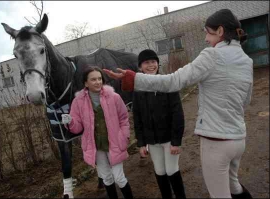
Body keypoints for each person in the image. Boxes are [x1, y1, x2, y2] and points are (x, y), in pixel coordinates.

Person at [104, 9, 253, 199]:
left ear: (220, 31)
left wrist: (134, 78)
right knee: (235, 187)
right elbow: (246, 101)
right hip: (238, 139)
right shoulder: (246, 61)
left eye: (207, 32)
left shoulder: (212, 56)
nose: (206, 39)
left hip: (217, 141)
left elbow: (173, 81)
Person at [61, 66, 134, 199]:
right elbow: (77, 128)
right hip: (96, 147)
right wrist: (70, 122)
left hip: (115, 143)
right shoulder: (78, 102)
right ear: (85, 83)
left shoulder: (114, 97)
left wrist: (124, 136)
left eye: (99, 79)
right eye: (93, 79)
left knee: (119, 177)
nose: (97, 82)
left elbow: (124, 119)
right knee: (106, 178)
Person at [133, 49, 186, 199]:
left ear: (158, 64)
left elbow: (178, 114)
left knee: (171, 170)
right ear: (140, 67)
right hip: (152, 141)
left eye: (153, 62)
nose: (151, 65)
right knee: (160, 171)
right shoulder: (138, 89)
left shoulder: (167, 83)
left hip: (169, 139)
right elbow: (137, 118)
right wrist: (141, 143)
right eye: (146, 62)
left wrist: (176, 141)